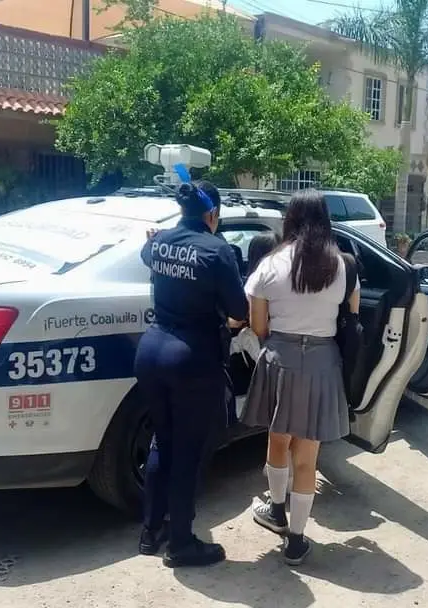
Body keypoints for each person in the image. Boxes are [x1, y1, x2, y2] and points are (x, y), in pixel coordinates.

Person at [240, 189, 359, 566]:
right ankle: (296, 541)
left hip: (281, 357)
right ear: (325, 220)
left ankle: (276, 510)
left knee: (277, 440)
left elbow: (258, 326)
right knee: (307, 458)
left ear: (289, 219)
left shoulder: (271, 264)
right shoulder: (343, 265)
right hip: (324, 362)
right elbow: (351, 317)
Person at [135, 179, 248, 568]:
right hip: (191, 361)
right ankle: (181, 544)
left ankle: (151, 532)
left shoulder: (160, 241)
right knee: (188, 453)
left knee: (161, 443)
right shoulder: (217, 251)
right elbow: (239, 308)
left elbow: (146, 252)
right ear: (212, 214)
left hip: (150, 352)